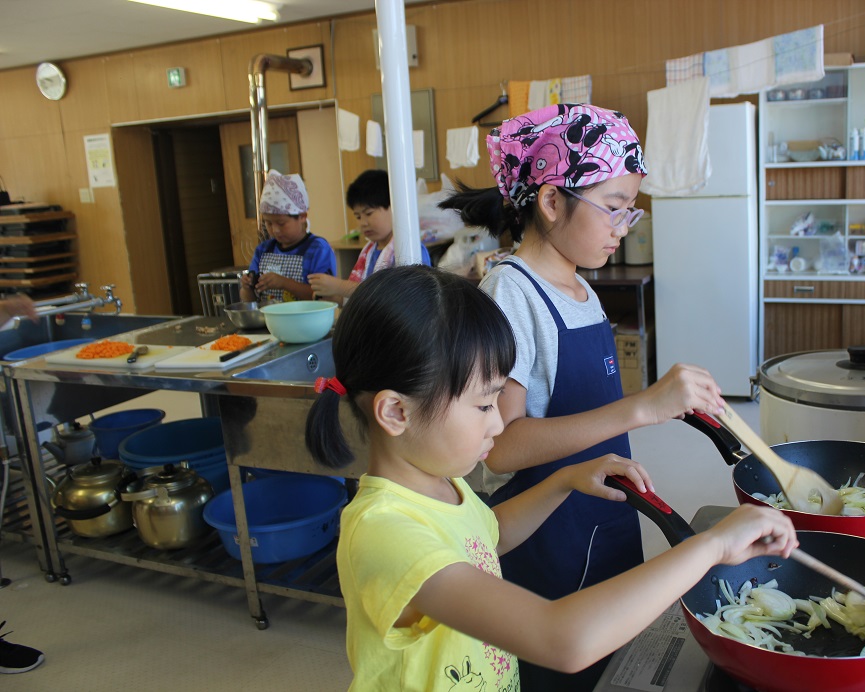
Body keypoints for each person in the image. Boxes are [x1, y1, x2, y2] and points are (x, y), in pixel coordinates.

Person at [304, 265, 797, 691]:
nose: (498, 423)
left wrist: (565, 480)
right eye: (482, 405)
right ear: (395, 412)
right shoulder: (384, 531)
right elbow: (560, 639)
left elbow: (487, 535)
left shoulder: (438, 484)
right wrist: (710, 546)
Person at [439, 103, 726, 689]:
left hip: (603, 513)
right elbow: (504, 447)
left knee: (611, 661)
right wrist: (641, 406)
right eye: (614, 208)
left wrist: (669, 406)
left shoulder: (580, 287)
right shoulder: (511, 294)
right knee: (560, 669)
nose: (624, 228)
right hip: (547, 536)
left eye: (630, 211)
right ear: (550, 202)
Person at [308, 169, 431, 304]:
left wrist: (340, 287)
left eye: (369, 213)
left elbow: (397, 297)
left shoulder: (410, 250)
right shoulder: (369, 251)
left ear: (394, 207)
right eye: (358, 216)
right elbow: (363, 299)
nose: (363, 223)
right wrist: (332, 297)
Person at [239, 169, 336, 303]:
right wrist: (246, 288)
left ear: (302, 216)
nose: (275, 230)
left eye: (281, 223)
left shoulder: (318, 249)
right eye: (268, 223)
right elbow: (250, 301)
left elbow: (325, 296)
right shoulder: (263, 250)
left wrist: (284, 283)